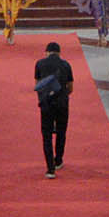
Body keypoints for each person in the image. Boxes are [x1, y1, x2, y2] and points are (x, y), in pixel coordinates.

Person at [32, 42, 74, 179]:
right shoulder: (66, 65)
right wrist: (62, 95)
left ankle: (50, 169)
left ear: (47, 52)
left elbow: (37, 85)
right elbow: (70, 87)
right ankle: (58, 160)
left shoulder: (39, 64)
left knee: (47, 134)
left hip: (46, 104)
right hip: (62, 103)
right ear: (59, 53)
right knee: (61, 131)